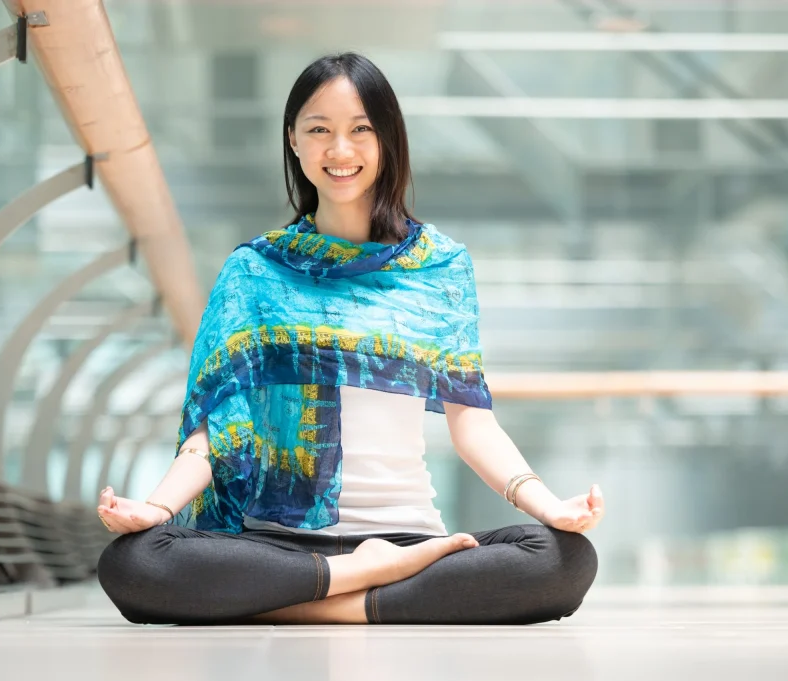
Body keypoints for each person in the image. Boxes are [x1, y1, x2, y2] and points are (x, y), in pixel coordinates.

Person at [95, 52, 602, 626]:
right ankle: (364, 585)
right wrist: (156, 508)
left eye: (361, 130)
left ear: (388, 140)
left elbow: (472, 423)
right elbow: (215, 431)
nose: (340, 151)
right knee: (135, 563)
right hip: (276, 546)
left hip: (408, 539)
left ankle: (294, 607)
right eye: (320, 131)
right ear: (293, 140)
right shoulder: (253, 273)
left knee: (563, 560)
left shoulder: (438, 269)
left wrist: (548, 504)